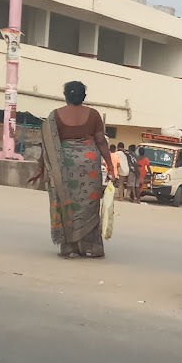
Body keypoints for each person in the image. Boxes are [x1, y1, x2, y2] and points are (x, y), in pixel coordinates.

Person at [28, 80, 113, 258]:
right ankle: (91, 246)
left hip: (64, 166)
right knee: (89, 205)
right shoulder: (94, 115)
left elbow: (48, 146)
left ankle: (69, 246)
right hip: (89, 165)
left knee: (66, 204)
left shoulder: (54, 116)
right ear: (84, 96)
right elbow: (100, 141)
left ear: (65, 96)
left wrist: (40, 168)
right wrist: (110, 166)